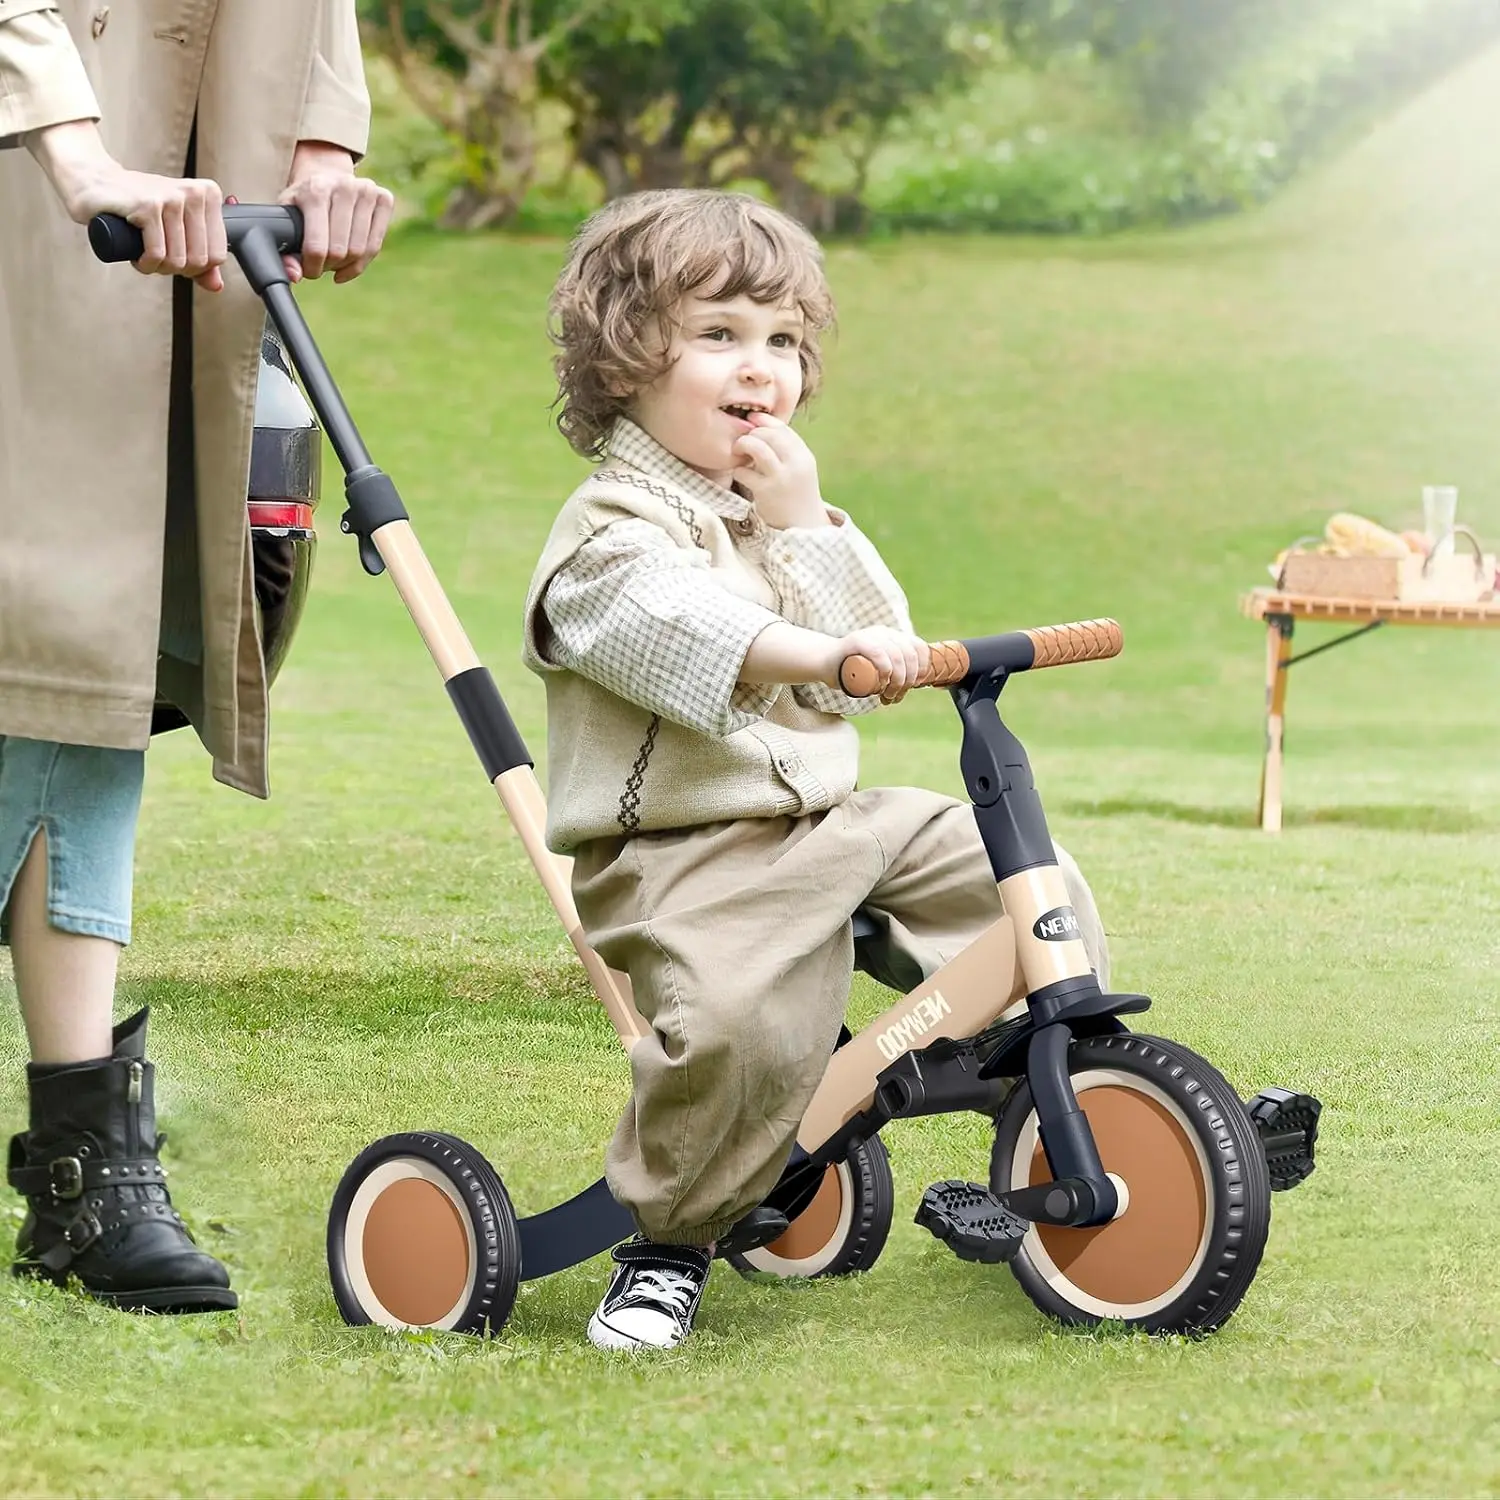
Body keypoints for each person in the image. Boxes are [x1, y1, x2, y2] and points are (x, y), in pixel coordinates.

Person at [523, 188, 1112, 1352]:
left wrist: (804, 527)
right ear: (627, 357)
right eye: (721, 336)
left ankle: (1055, 1093)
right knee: (744, 1027)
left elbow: (879, 649)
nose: (763, 370)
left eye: (784, 341)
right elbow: (694, 636)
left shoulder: (771, 513)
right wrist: (828, 652)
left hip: (827, 823)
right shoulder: (607, 535)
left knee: (1027, 887)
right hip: (683, 856)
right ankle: (669, 1242)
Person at [0, 3, 393, 1313]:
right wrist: (74, 154)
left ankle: (87, 1178)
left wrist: (320, 152)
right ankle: (85, 1170)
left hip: (174, 217)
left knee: (88, 641)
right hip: (42, 184)